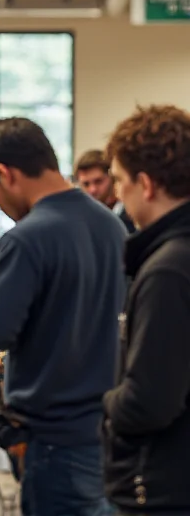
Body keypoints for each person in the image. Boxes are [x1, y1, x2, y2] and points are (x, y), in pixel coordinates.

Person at [0, 117, 126, 516]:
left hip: (53, 435)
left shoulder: (26, 238)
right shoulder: (112, 226)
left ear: (6, 174)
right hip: (106, 426)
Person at [103, 105, 190, 514]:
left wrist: (103, 399)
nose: (118, 194)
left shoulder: (167, 270)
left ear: (147, 184)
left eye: (120, 181)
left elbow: (148, 402)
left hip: (158, 488)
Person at [75, 149, 136, 233]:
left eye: (98, 181)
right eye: (86, 184)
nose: (93, 189)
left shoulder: (132, 215)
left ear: (112, 178)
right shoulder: (78, 220)